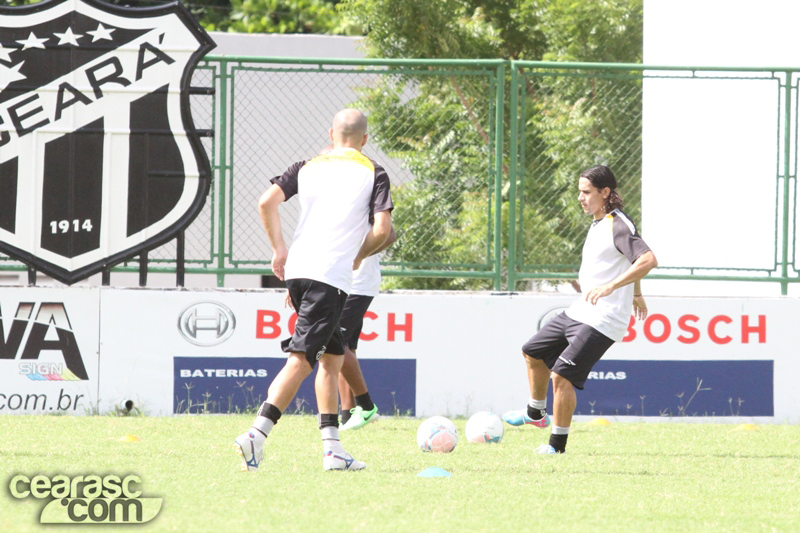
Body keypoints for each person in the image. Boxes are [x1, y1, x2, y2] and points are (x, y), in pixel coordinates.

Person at [234, 109, 393, 472]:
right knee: (303, 359)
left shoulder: (305, 166)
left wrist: (279, 250)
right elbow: (383, 229)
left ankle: (333, 450)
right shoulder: (373, 171)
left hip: (299, 270)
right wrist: (358, 255)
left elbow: (265, 202)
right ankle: (256, 435)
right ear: (364, 139)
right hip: (329, 276)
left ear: (331, 134)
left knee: (332, 358)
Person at [503, 165, 657, 454]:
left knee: (561, 376)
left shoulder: (619, 223)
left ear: (605, 192)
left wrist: (613, 287)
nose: (580, 198)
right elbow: (627, 261)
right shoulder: (599, 221)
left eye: (586, 192)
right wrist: (636, 292)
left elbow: (647, 260)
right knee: (532, 351)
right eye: (579, 192)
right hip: (582, 310)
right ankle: (536, 413)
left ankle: (556, 446)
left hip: (605, 319)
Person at [338, 229, 395, 431]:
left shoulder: (366, 199)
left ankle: (366, 406)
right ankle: (348, 415)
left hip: (357, 285)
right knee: (346, 347)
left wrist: (359, 256)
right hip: (345, 284)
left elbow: (389, 235)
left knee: (335, 344)